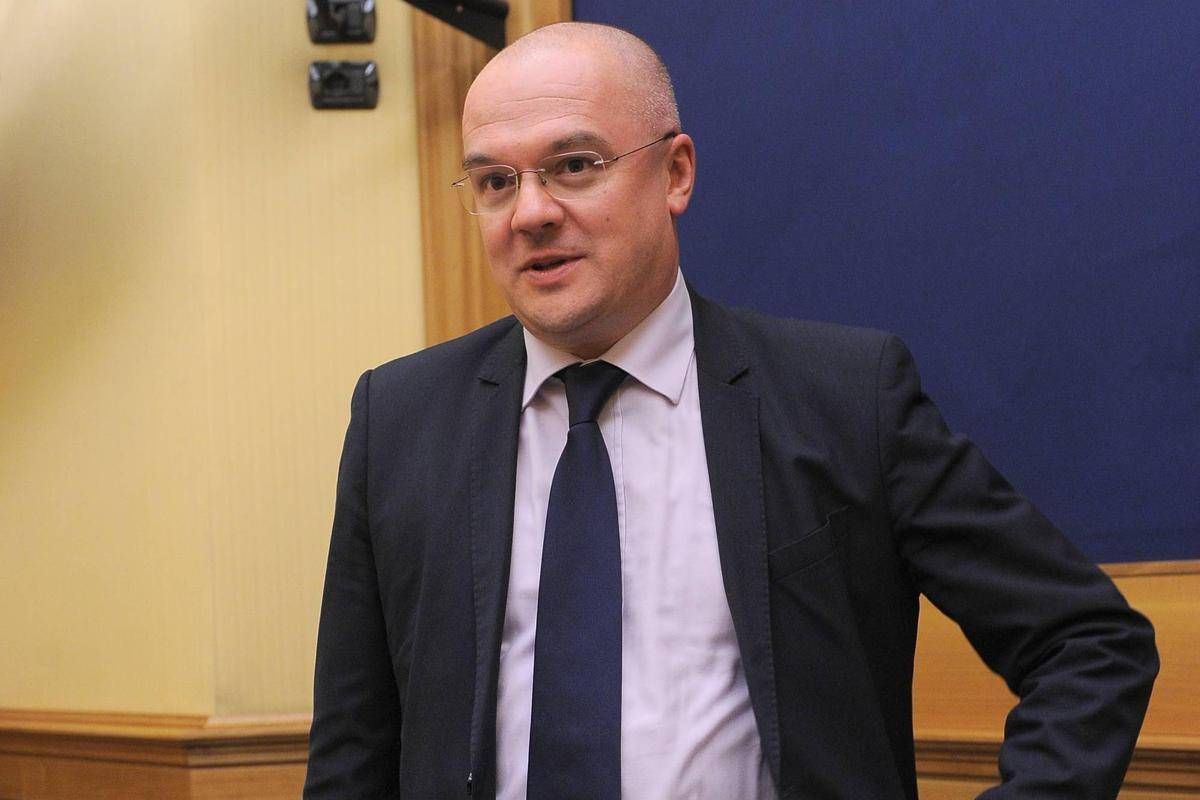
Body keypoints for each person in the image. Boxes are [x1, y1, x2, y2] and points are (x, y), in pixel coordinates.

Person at [303, 22, 1158, 800]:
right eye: (496, 181)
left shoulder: (842, 398)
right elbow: (351, 756)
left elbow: (1089, 643)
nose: (531, 213)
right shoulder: (398, 422)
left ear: (675, 173)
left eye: (575, 166)